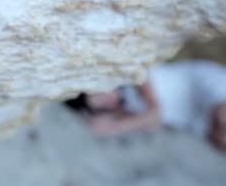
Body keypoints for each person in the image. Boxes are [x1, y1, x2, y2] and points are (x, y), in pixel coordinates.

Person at [66, 59, 226, 152]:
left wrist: (119, 125)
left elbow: (156, 115)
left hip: (195, 89)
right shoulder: (218, 81)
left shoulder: (136, 78)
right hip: (135, 86)